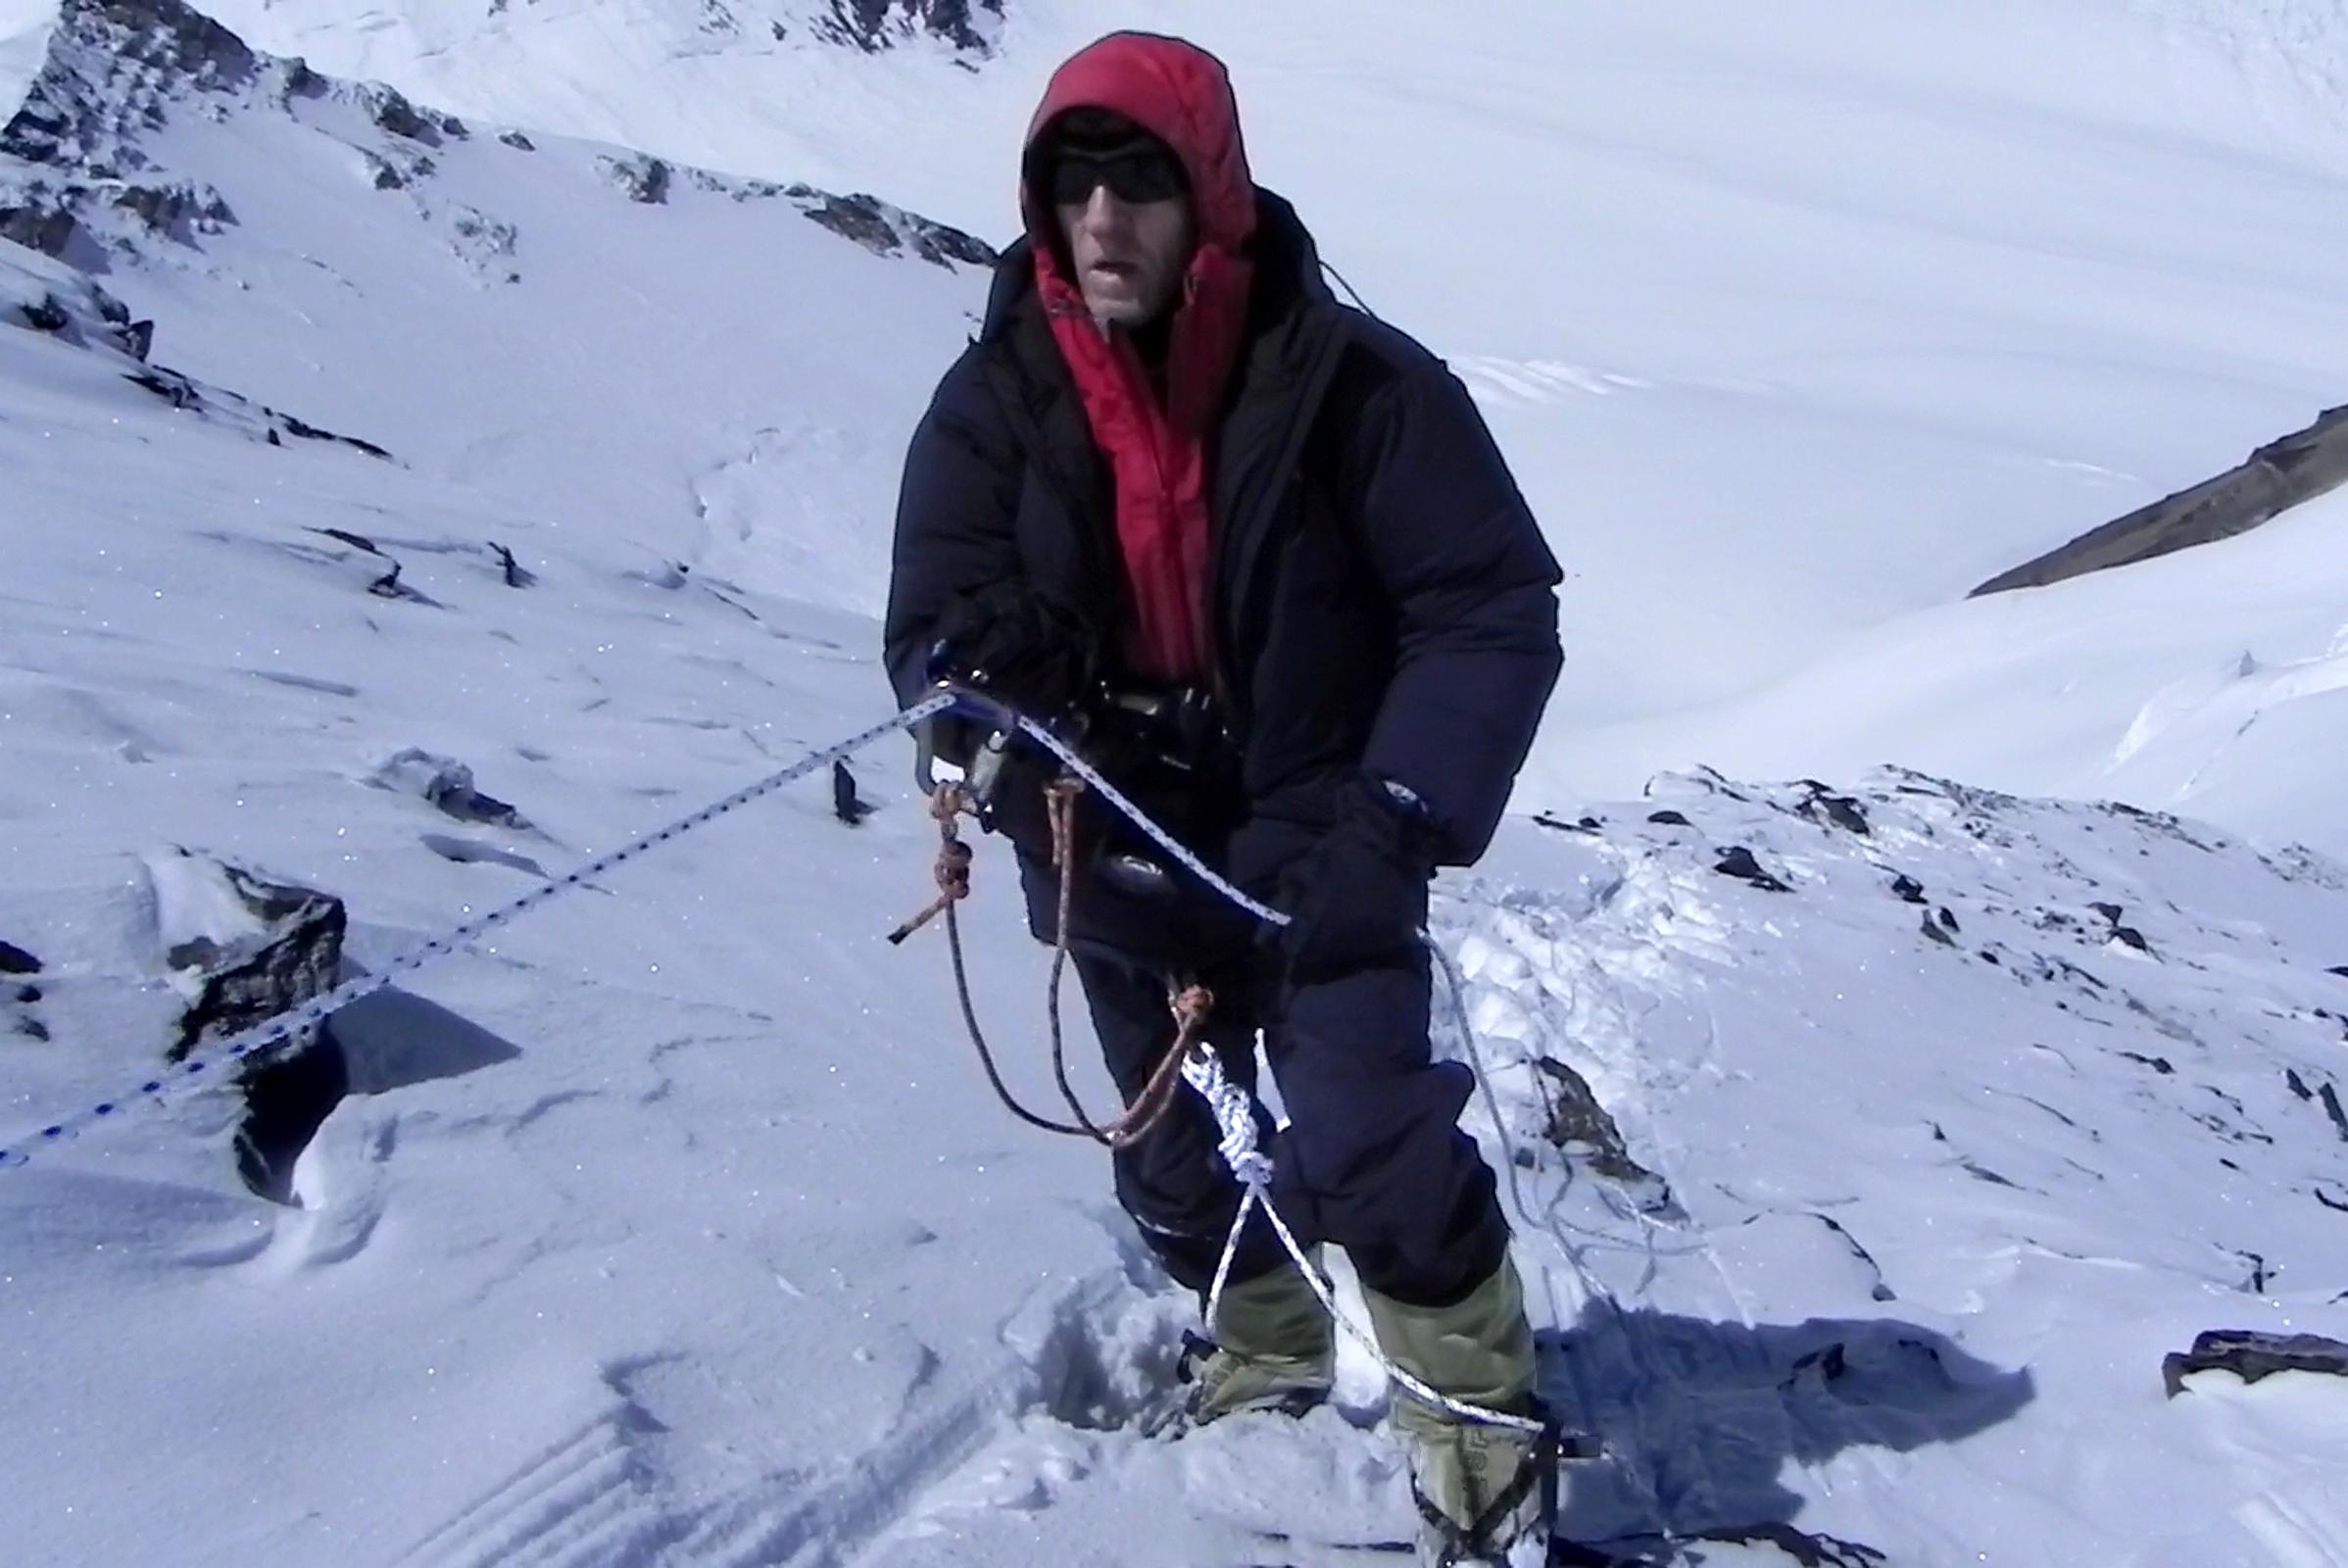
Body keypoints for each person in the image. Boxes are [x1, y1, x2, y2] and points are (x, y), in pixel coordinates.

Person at [884, 30, 1565, 1566]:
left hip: (1326, 836)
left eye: (1139, 182)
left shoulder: (1355, 388)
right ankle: (1263, 1353)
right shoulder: (998, 399)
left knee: (1363, 1127)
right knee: (1172, 1151)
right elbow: (933, 625)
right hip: (1111, 828)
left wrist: (1393, 819)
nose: (1103, 221)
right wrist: (998, 701)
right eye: (1075, 186)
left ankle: (1481, 1417)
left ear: (1213, 196)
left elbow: (1488, 607)